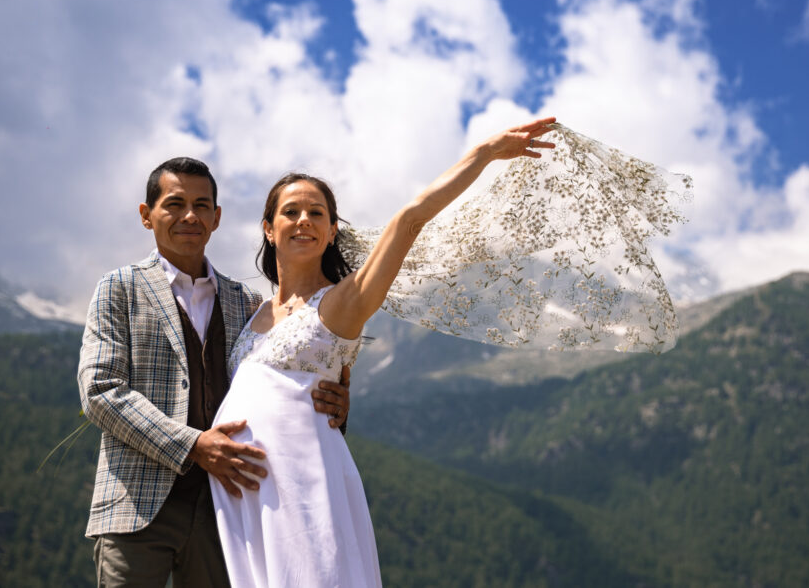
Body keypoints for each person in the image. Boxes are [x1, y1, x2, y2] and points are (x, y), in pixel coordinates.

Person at [211, 116, 559, 587]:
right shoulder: (248, 312)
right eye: (291, 212)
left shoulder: (342, 302)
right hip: (245, 490)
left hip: (305, 481)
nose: (304, 221)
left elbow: (410, 219)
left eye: (317, 213)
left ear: (332, 231)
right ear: (269, 228)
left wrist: (484, 153)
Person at [77, 156, 352, 587]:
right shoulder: (120, 288)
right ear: (147, 216)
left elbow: (278, 378)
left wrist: (334, 401)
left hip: (227, 509)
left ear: (217, 217)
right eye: (174, 203)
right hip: (136, 505)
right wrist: (193, 445)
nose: (190, 215)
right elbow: (100, 391)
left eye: (202, 205)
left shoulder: (245, 303)